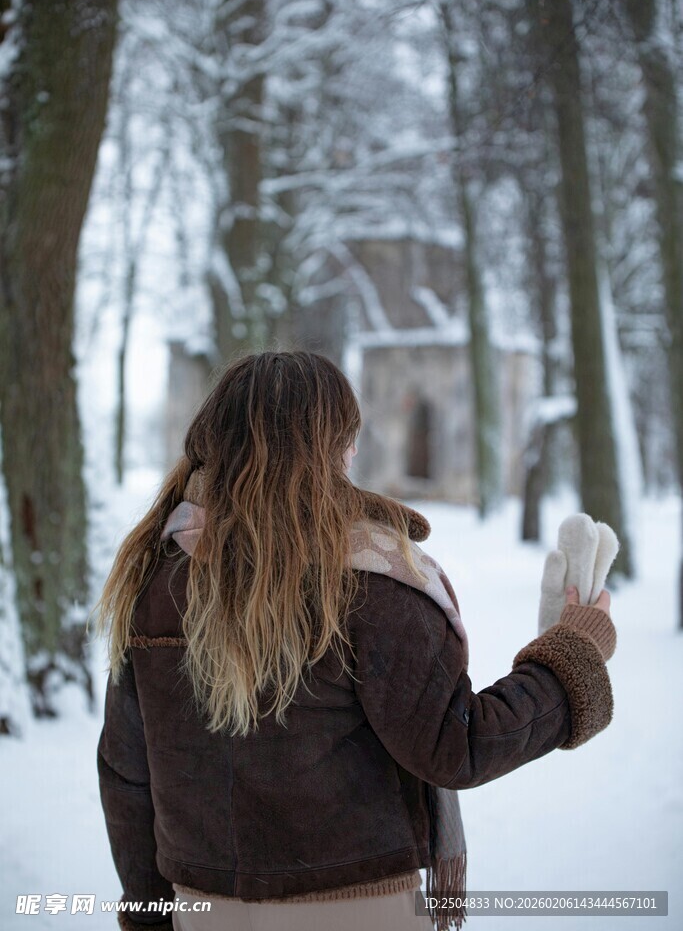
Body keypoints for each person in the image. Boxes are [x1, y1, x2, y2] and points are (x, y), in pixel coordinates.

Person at [93, 350, 616, 931]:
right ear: (331, 448)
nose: (354, 453)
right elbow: (457, 745)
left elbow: (126, 776)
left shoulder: (153, 579)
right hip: (360, 911)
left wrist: (148, 916)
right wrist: (573, 654)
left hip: (203, 910)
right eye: (348, 437)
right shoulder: (372, 579)